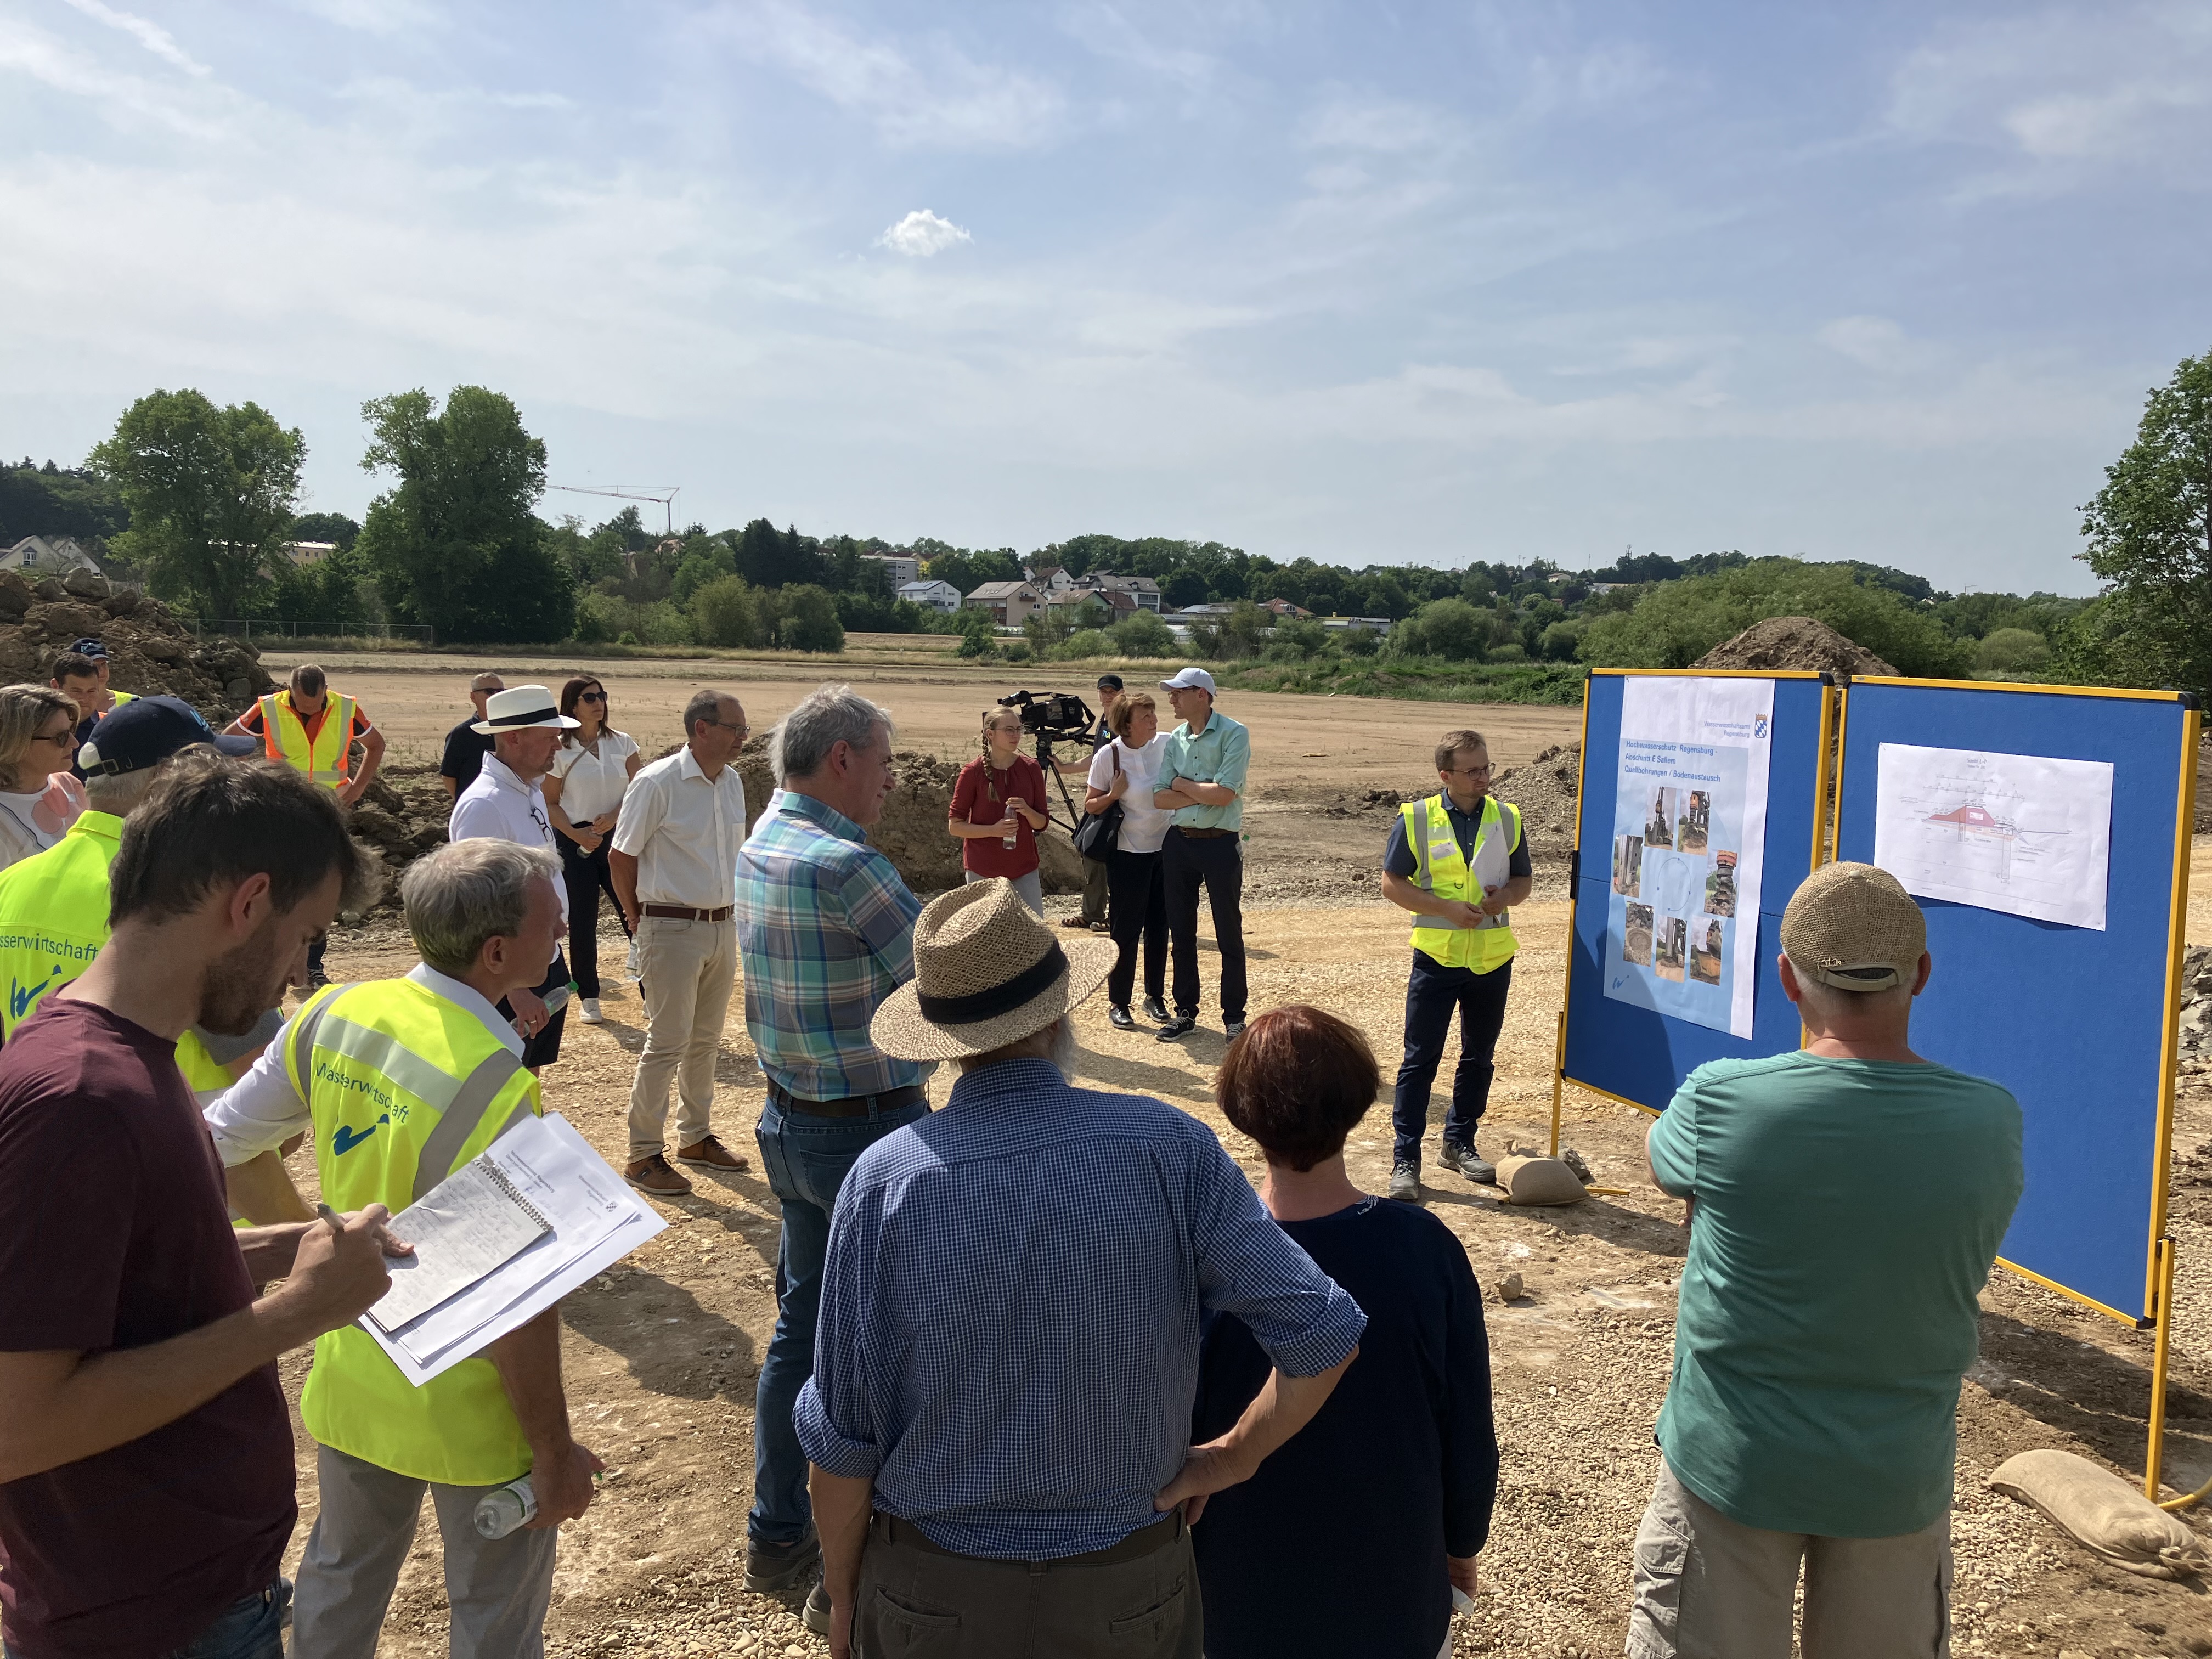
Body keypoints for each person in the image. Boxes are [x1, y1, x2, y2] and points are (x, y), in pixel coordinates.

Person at [798, 879, 1367, 1659]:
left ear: (946, 1039)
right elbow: (1323, 1334)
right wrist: (1233, 1457)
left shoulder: (883, 1182)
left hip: (937, 1591)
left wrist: (843, 1591)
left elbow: (841, 1444)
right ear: (1062, 1012)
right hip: (1126, 1586)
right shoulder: (1169, 1147)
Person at [0, 754, 395, 1659]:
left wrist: (284, 1244)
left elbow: (129, 1275)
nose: (297, 972)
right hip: (147, 1621)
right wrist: (295, 1312)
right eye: (303, 934)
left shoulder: (121, 1049)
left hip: (175, 1596)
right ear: (249, 902)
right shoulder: (84, 1099)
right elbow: (17, 1425)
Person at [204, 839, 604, 1658]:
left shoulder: (333, 1012)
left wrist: (318, 1243)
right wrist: (553, 1450)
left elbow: (225, 1141)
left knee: (339, 1587)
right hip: (470, 1414)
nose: (563, 928)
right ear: (497, 953)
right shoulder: (499, 1088)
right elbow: (516, 1306)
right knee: (495, 1618)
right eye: (550, 922)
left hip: (356, 1378)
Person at [1628, 862, 2023, 1657]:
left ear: (1786, 979)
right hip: (1896, 1472)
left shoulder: (1720, 1099)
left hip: (1735, 1462)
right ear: (1921, 975)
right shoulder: (1989, 1119)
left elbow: (1666, 1163)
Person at [1193, 1005, 1498, 1659]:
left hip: (1240, 1594)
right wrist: (1460, 1541)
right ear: (1360, 1103)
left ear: (1242, 1115)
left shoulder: (1207, 1260)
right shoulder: (1426, 1248)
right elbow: (1467, 1424)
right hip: (1392, 1590)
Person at [735, 686, 929, 1612]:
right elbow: (945, 977)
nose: (893, 779)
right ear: (843, 755)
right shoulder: (850, 862)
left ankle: (778, 1533)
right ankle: (865, 1554)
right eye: (885, 761)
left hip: (791, 1120)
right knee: (887, 1345)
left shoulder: (761, 839)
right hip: (870, 1126)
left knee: (800, 1334)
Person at [0, 698, 273, 1116]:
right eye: (215, 774)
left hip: (38, 1127)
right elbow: (264, 1079)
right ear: (168, 781)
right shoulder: (194, 895)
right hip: (178, 1137)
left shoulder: (12, 883)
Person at [1379, 728, 1532, 1200]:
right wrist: (1447, 908)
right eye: (1473, 770)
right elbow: (1391, 883)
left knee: (1478, 1058)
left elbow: (1523, 882)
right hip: (1438, 958)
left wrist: (1502, 897)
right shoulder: (1417, 818)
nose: (1484, 776)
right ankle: (1407, 1155)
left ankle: (1459, 1142)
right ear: (1446, 775)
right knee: (1419, 1059)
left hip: (1492, 959)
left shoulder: (1508, 817)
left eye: (1487, 767)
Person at [607, 689, 749, 1196]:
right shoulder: (656, 782)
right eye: (735, 729)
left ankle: (695, 1137)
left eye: (744, 730)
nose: (742, 739)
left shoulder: (732, 782)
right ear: (701, 729)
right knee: (667, 1042)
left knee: (707, 1039)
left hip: (722, 925)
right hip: (669, 927)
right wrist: (636, 918)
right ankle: (642, 1153)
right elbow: (621, 856)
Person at [229, 664, 385, 987]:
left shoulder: (346, 708)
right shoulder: (269, 708)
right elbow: (228, 742)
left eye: (315, 707)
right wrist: (253, 780)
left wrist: (356, 788)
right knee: (277, 888)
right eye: (302, 707)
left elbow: (376, 745)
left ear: (325, 691)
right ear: (291, 692)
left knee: (319, 889)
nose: (308, 712)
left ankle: (312, 966)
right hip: (282, 811)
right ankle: (270, 964)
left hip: (329, 813)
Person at [450, 686, 575, 1074]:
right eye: (549, 735)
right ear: (513, 737)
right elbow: (474, 905)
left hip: (537, 958)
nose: (559, 744)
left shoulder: (529, 791)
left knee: (526, 1078)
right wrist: (515, 989)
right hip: (507, 974)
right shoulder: (484, 805)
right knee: (501, 1084)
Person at [1152, 666, 1251, 1041]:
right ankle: (1185, 1011)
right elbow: (1159, 796)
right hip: (1179, 842)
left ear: (1202, 695)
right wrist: (1198, 789)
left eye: (1179, 692)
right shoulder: (1175, 738)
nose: (1172, 698)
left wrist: (1181, 784)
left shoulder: (1234, 734)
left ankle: (1234, 1016)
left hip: (1221, 842)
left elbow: (1225, 794)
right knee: (1182, 931)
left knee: (1229, 932)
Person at [545, 675, 641, 1025]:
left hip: (620, 841)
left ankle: (651, 992)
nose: (599, 702)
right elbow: (550, 802)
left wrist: (616, 817)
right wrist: (576, 833)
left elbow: (639, 790)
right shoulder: (559, 748)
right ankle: (589, 996)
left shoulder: (623, 743)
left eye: (601, 696)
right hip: (576, 845)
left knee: (636, 916)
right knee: (583, 924)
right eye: (589, 697)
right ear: (572, 705)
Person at [1083, 688, 1171, 1031]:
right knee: (1125, 931)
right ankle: (1119, 1002)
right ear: (1127, 725)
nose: (1153, 720)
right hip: (1128, 854)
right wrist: (1114, 794)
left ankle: (1155, 998)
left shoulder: (1165, 743)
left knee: (1159, 927)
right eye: (1145, 716)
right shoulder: (1109, 755)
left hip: (1165, 851)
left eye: (1153, 714)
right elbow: (1091, 806)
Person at [947, 706, 1049, 914]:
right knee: (985, 937)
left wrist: (1028, 811)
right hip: (983, 870)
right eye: (1009, 730)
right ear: (990, 734)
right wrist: (994, 831)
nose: (1016, 736)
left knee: (1034, 935)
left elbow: (1042, 823)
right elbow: (955, 827)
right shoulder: (972, 773)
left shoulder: (1031, 769)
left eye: (1019, 729)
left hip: (1024, 868)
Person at [1056, 673, 1122, 933]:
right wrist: (1064, 767)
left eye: (1112, 691)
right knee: (1091, 851)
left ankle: (1114, 915)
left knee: (1112, 856)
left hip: (1115, 801)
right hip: (1100, 798)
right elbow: (1098, 759)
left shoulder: (1123, 719)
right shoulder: (1105, 720)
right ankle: (1092, 913)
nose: (1107, 695)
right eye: (1103, 691)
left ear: (1121, 692)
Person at [0, 685, 84, 868]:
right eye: (61, 737)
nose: (74, 743)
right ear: (16, 742)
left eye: (72, 731)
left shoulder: (69, 783)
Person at [439, 672, 505, 801]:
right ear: (473, 697)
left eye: (501, 691)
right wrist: (462, 803)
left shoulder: (513, 731)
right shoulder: (461, 734)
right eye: (490, 691)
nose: (496, 696)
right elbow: (448, 776)